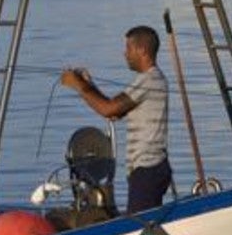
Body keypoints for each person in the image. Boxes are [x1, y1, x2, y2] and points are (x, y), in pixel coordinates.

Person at [61, 25, 171, 214]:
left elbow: (107, 109)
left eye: (128, 48)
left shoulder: (149, 80)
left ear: (142, 50)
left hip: (147, 169)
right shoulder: (148, 79)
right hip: (146, 170)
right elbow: (114, 112)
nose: (125, 54)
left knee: (139, 227)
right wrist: (89, 85)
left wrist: (78, 85)